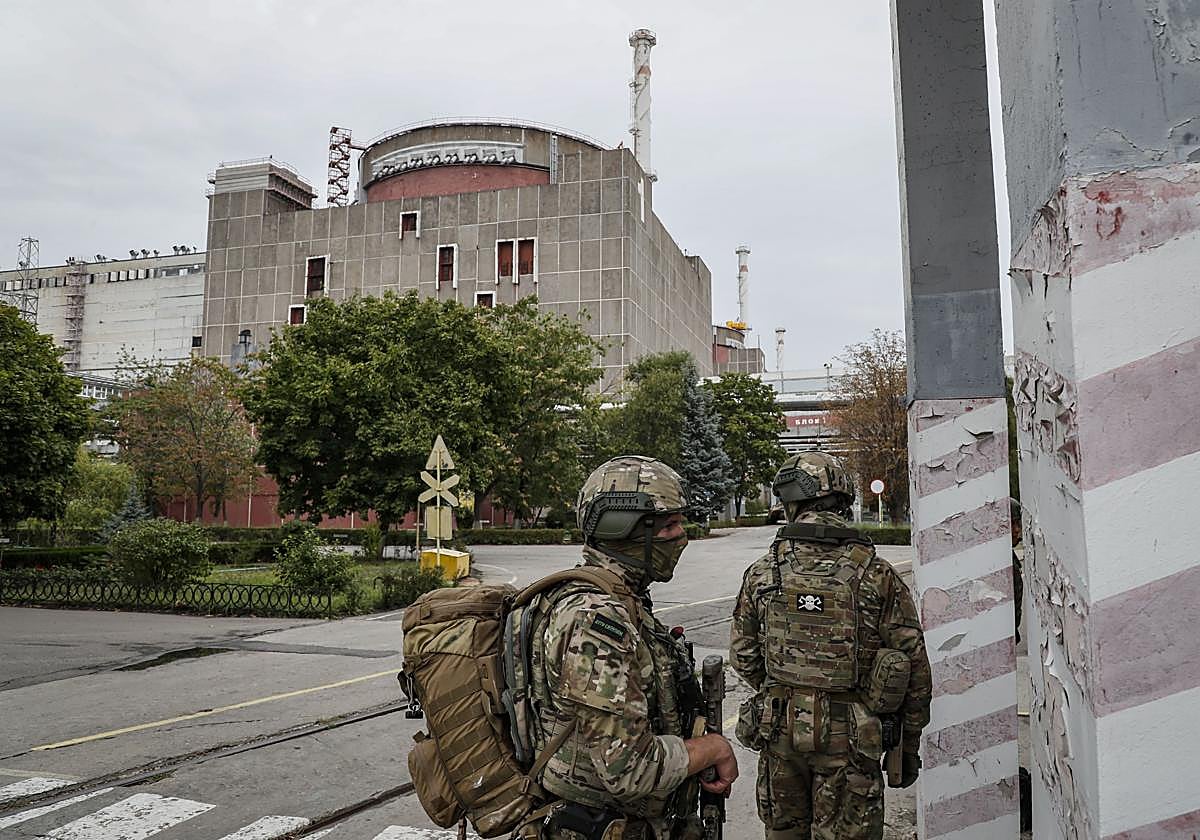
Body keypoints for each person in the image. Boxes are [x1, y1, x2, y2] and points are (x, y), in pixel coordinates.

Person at [529, 455, 738, 840]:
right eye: (669, 525)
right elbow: (629, 769)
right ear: (624, 528)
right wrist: (713, 749)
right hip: (599, 825)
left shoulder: (621, 600)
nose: (681, 536)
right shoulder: (596, 620)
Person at [730, 451, 931, 840]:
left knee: (783, 833)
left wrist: (788, 690)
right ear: (842, 499)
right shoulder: (876, 573)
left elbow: (743, 655)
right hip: (854, 741)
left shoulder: (762, 572)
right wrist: (909, 741)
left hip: (781, 733)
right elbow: (914, 666)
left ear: (790, 502)